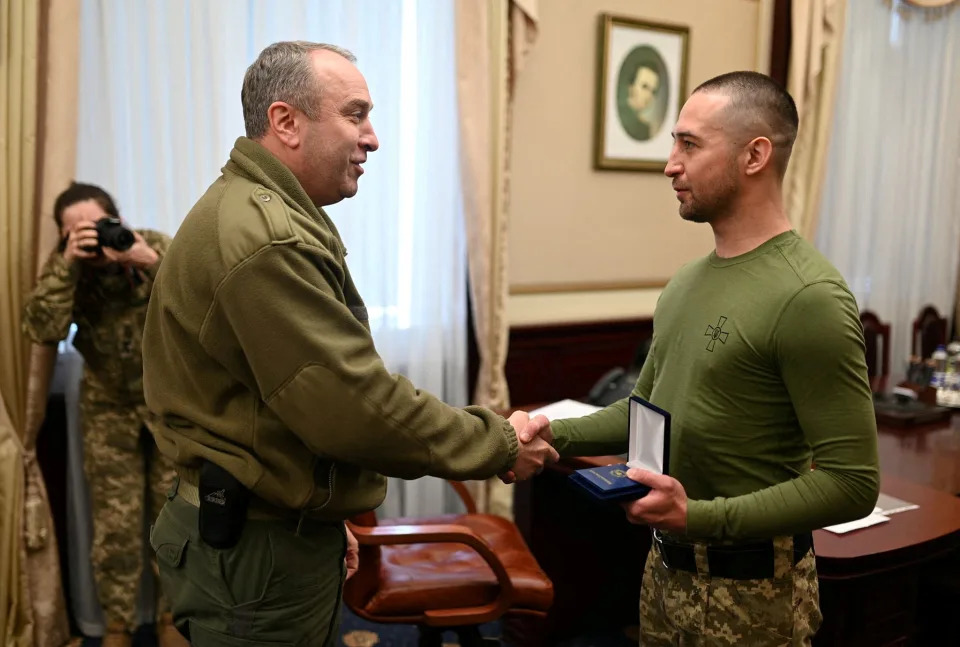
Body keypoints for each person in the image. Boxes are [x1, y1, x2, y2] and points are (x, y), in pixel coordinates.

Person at [140, 41, 556, 646]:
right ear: (286, 122)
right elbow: (354, 406)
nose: (373, 137)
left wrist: (327, 512)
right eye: (355, 114)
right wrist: (497, 444)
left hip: (270, 531)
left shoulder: (260, 210)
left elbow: (286, 404)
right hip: (258, 554)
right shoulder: (267, 238)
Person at [523, 71, 880, 645]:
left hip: (755, 599)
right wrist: (547, 432)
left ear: (754, 155)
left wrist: (700, 518)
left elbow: (851, 483)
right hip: (665, 577)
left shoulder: (809, 296)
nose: (670, 163)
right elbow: (644, 410)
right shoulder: (686, 283)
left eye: (689, 144)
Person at [22, 183, 187, 647]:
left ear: (116, 218)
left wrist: (146, 261)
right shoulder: (66, 270)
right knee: (115, 523)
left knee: (174, 517)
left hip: (167, 403)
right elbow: (40, 327)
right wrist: (68, 266)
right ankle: (117, 624)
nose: (89, 238)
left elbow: (199, 305)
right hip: (107, 407)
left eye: (95, 226)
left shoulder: (151, 245)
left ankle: (173, 618)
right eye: (74, 232)